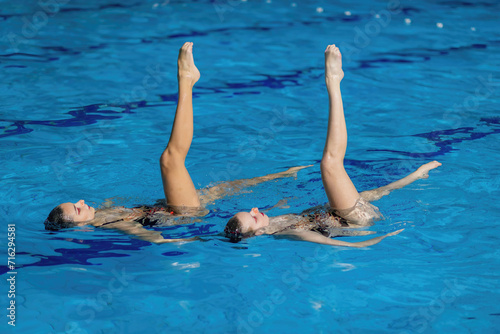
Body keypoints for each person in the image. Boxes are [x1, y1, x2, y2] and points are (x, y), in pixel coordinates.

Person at [45, 42, 310, 244]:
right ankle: (187, 81)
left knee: (220, 188)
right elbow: (140, 233)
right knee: (170, 160)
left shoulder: (102, 212)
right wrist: (174, 241)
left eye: (74, 202)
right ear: (79, 227)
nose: (81, 201)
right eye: (77, 210)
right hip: (182, 215)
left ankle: (281, 175)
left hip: (172, 208)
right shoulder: (107, 223)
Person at [224, 44, 442, 247]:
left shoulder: (269, 222)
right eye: (252, 218)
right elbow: (331, 243)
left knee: (369, 194)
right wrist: (372, 242)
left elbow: (209, 237)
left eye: (249, 211)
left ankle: (417, 175)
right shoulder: (286, 233)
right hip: (355, 223)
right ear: (258, 233)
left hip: (338, 213)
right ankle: (334, 82)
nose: (255, 211)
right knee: (330, 164)